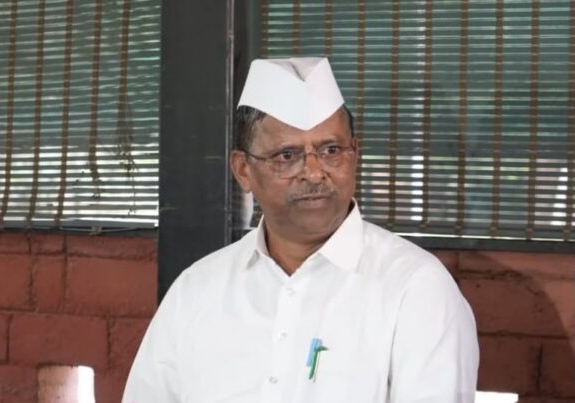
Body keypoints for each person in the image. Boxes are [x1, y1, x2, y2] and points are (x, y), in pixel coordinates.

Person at [122, 57, 479, 403]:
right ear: (243, 170)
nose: (314, 172)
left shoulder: (416, 289)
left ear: (354, 154)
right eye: (287, 156)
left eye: (331, 150)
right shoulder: (196, 291)